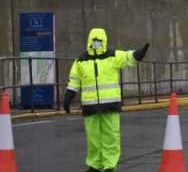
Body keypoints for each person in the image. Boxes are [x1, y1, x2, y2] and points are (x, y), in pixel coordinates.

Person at [64, 29, 150, 172]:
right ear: (90, 41)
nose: (96, 44)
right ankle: (95, 166)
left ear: (104, 41)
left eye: (99, 41)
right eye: (94, 41)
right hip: (90, 107)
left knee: (111, 137)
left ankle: (109, 166)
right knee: (93, 139)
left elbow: (127, 57)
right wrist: (69, 95)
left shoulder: (112, 56)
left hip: (109, 105)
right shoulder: (80, 60)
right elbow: (74, 80)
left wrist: (138, 54)